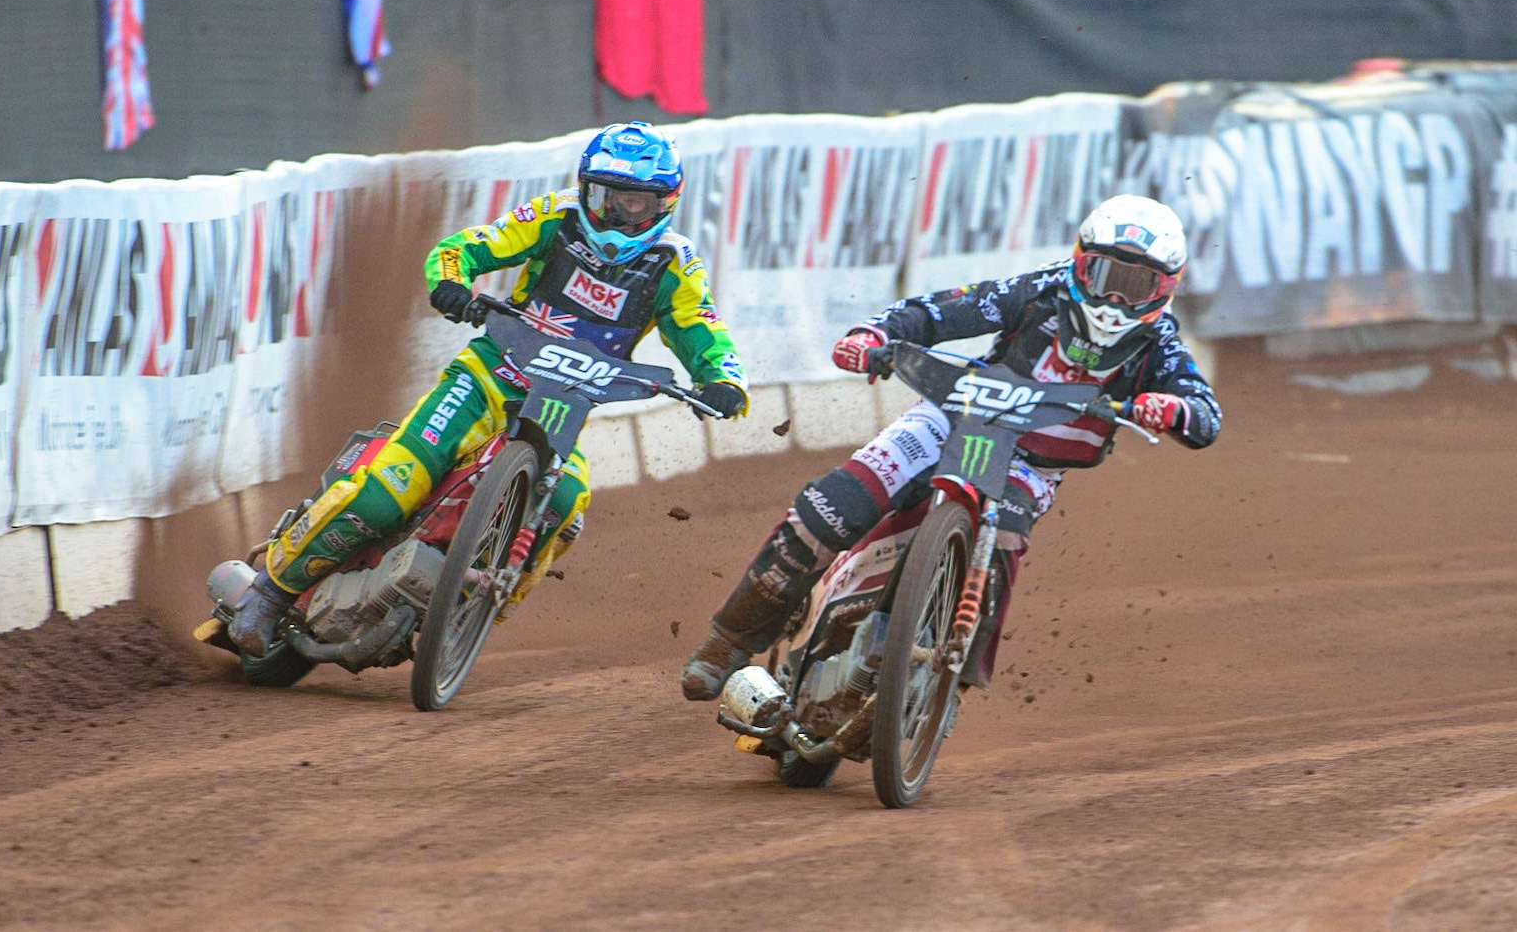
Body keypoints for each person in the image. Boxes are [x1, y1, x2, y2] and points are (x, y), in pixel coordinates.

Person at [230, 121, 750, 656]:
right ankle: (269, 593)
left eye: (634, 204)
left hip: (562, 406)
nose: (617, 213)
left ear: (663, 204)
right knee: (391, 489)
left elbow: (702, 328)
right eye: (606, 196)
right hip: (489, 376)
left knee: (567, 500)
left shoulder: (675, 263)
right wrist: (452, 283)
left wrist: (724, 379)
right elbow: (469, 247)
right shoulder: (557, 216)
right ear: (586, 187)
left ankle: (466, 615)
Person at [681, 194, 1221, 700]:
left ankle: (949, 683)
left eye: (1136, 284)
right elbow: (946, 311)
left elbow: (1204, 413)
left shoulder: (1160, 345)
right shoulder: (1040, 292)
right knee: (832, 506)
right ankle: (729, 639)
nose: (1114, 299)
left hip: (1030, 465)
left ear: (1164, 289)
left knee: (1005, 538)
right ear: (1080, 266)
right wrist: (874, 336)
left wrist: (1174, 409)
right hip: (954, 419)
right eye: (1104, 276)